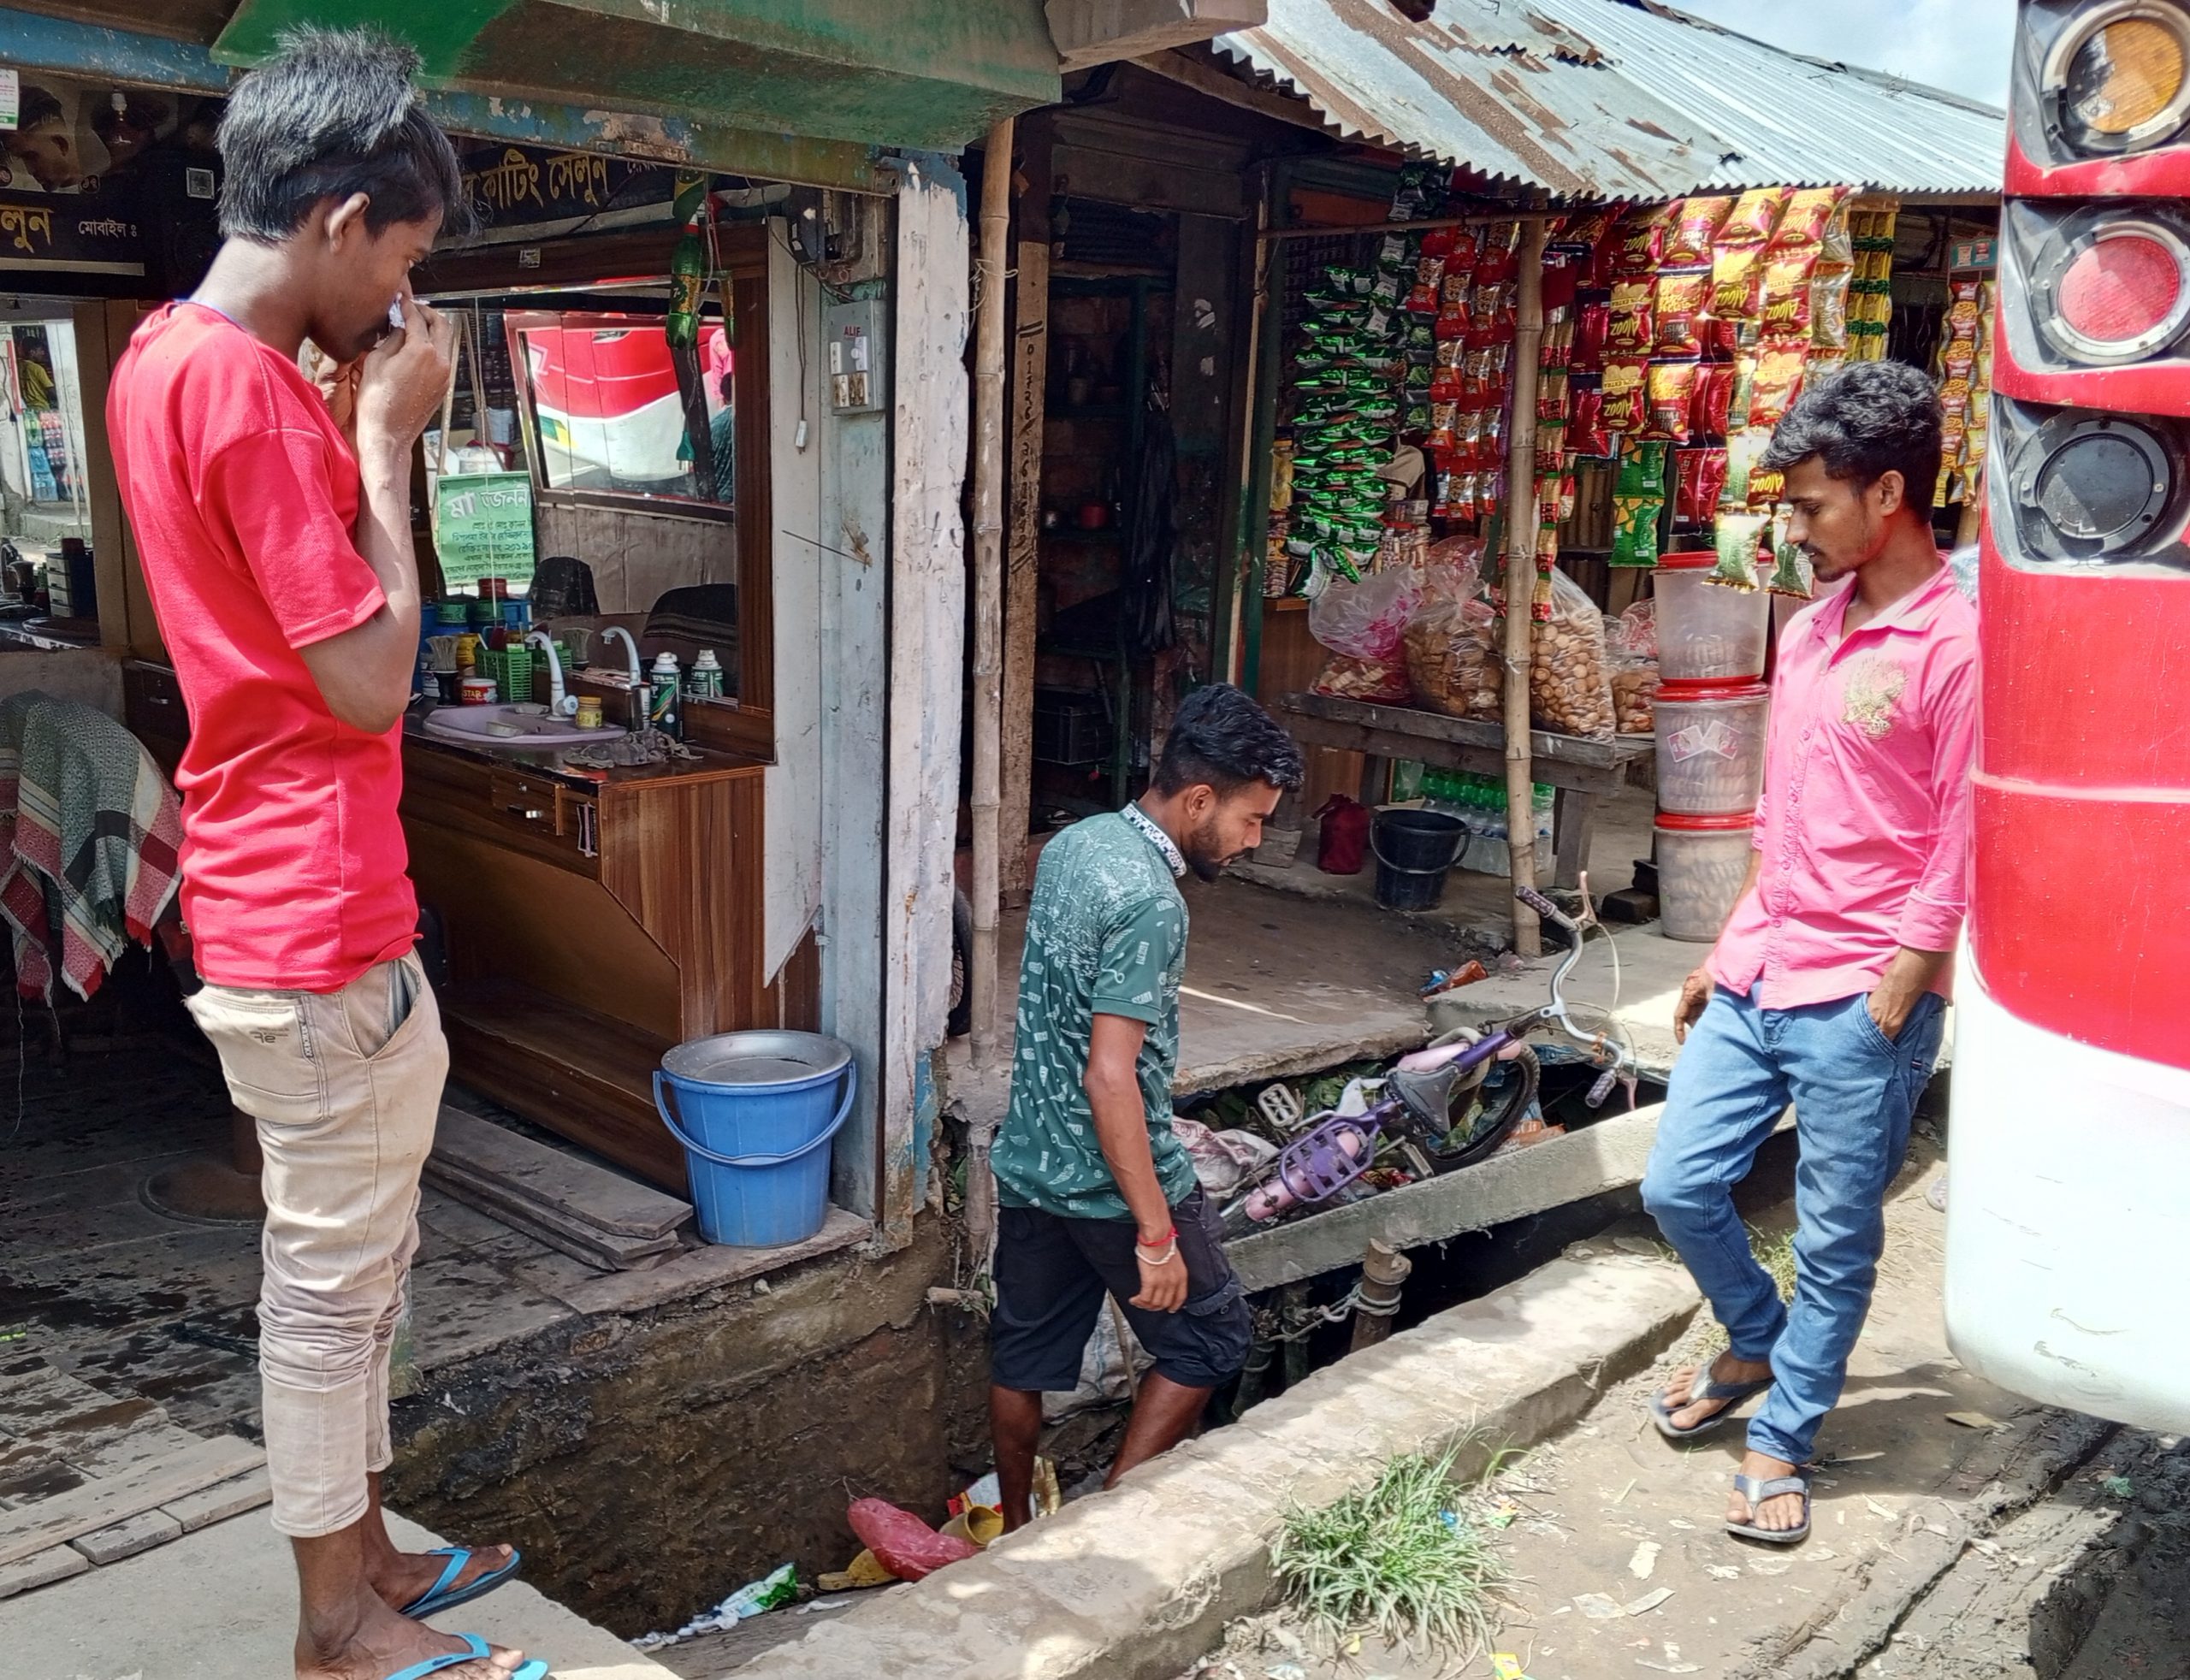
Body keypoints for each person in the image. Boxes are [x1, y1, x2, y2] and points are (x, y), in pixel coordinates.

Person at [107, 30, 542, 1680]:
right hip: (306, 916)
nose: (398, 306)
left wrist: (342, 415)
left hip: (290, 895)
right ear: (346, 216)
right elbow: (370, 677)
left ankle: (369, 1553)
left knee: (361, 1267)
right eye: (406, 263)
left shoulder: (163, 354)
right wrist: (389, 443)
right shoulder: (253, 394)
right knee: (330, 1282)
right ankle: (336, 1618)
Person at [1641, 361, 1975, 1547]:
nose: (1792, 526)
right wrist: (1727, 942)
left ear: (1888, 494)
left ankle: (1783, 1440)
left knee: (1837, 1234)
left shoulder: (1959, 644)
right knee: (1677, 1184)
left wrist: (1904, 979)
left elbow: (1964, 831)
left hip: (1863, 996)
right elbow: (1778, 812)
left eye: (1811, 505)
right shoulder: (1815, 625)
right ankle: (1754, 1340)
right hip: (1765, 965)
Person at [986, 684, 1303, 1529]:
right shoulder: (1153, 901)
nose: (1253, 838)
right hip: (1110, 1177)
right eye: (1250, 818)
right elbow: (1110, 1074)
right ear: (1199, 798)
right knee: (1207, 1340)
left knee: (1020, 1356)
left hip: (1028, 1159)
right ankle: (1110, 1512)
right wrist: (1155, 1233)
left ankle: (1015, 1527)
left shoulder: (1075, 844)